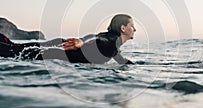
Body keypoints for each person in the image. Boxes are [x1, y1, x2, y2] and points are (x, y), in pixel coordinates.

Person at [0, 14, 136, 65]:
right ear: (123, 28)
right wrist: (82, 41)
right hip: (55, 51)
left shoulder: (112, 46)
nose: (134, 30)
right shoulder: (110, 43)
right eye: (132, 26)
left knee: (12, 48)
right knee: (11, 51)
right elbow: (95, 38)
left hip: (59, 46)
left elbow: (121, 60)